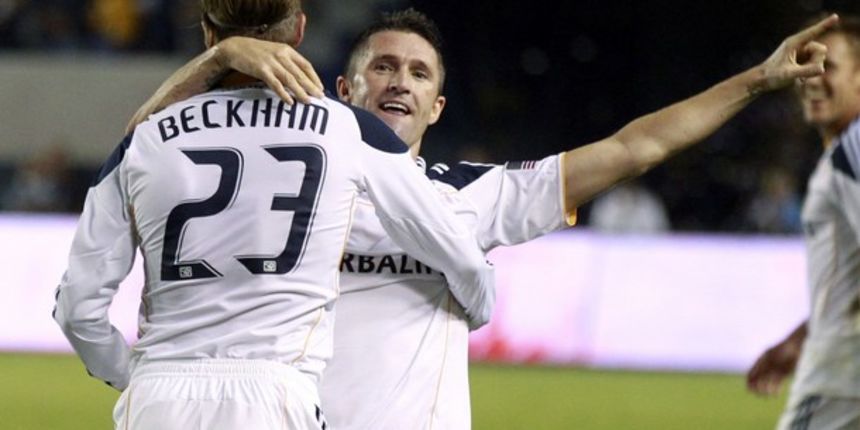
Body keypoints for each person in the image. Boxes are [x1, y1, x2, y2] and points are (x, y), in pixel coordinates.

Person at [128, 9, 836, 429]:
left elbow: (635, 146)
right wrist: (217, 58)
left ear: (437, 108)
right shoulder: (279, 184)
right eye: (383, 67)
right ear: (343, 90)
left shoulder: (474, 196)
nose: (399, 80)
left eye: (419, 72)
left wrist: (758, 80)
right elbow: (139, 151)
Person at [52, 2, 497, 429]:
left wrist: (138, 379)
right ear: (300, 30)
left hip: (158, 395)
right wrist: (477, 306)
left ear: (208, 33)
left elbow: (77, 311)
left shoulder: (145, 136)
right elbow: (461, 255)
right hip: (276, 393)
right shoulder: (349, 130)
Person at [746, 16, 860, 429]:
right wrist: (800, 339)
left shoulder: (853, 149)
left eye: (829, 66)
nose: (812, 77)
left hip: (843, 380)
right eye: (805, 63)